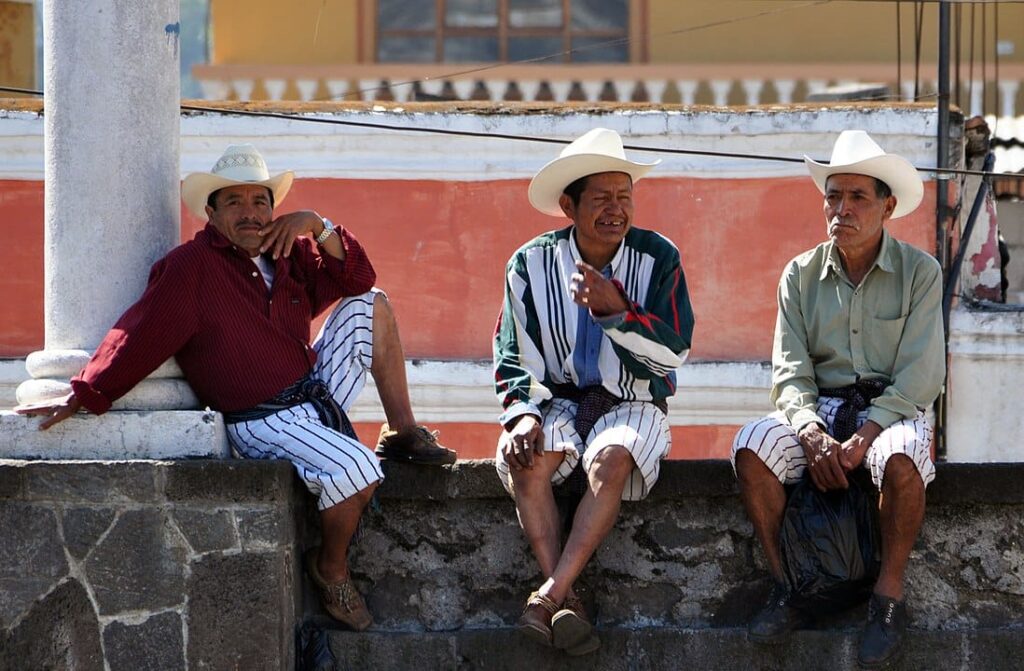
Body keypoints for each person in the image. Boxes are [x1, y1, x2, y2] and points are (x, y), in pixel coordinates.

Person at [15, 143, 456, 631]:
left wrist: (318, 224)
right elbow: (138, 333)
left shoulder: (289, 252)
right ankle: (330, 567)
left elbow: (357, 276)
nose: (251, 214)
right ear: (211, 212)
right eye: (235, 203)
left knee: (371, 304)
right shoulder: (190, 267)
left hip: (312, 392)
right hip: (259, 417)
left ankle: (402, 431)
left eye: (260, 201)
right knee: (357, 468)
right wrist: (85, 392)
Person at [731, 130, 944, 669]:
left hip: (888, 409)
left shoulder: (921, 272)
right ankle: (791, 590)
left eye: (857, 197)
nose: (841, 209)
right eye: (833, 196)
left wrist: (865, 435)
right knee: (752, 446)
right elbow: (789, 372)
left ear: (886, 206)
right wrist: (810, 432)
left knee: (901, 458)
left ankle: (886, 602)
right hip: (821, 409)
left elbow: (921, 376)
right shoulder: (799, 275)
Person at [493, 128, 695, 655]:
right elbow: (512, 352)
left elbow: (673, 353)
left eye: (624, 196)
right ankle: (568, 602)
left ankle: (547, 596)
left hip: (634, 400)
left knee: (610, 460)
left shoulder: (659, 258)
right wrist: (523, 415)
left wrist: (615, 312)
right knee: (527, 459)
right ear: (569, 204)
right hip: (556, 400)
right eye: (601, 197)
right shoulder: (529, 264)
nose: (616, 208)